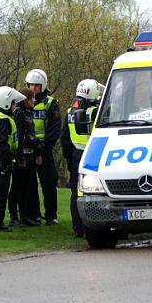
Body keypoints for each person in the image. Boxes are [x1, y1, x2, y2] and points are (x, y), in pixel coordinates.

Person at [62, 79, 104, 237]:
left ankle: (77, 228)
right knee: (94, 192)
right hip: (93, 154)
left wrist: (68, 159)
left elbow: (65, 139)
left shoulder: (69, 112)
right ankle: (92, 226)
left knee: (76, 192)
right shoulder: (95, 112)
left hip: (75, 155)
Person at [0, 86, 26, 232]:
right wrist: (8, 159)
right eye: (13, 103)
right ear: (6, 103)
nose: (15, 106)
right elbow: (1, 142)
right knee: (0, 192)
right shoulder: (3, 120)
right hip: (0, 160)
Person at [26, 69, 62, 225]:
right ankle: (34, 215)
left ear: (43, 86)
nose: (33, 88)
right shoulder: (23, 102)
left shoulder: (50, 103)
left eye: (36, 85)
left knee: (49, 182)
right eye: (30, 84)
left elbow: (54, 129)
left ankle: (51, 215)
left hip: (44, 149)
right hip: (28, 149)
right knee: (29, 184)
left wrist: (43, 147)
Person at [7, 88, 41, 227]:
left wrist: (36, 153)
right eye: (31, 98)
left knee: (26, 188)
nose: (34, 100)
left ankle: (24, 216)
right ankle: (14, 217)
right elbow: (19, 137)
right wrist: (20, 157)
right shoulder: (19, 114)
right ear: (25, 100)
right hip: (21, 158)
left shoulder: (28, 114)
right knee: (16, 187)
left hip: (29, 155)